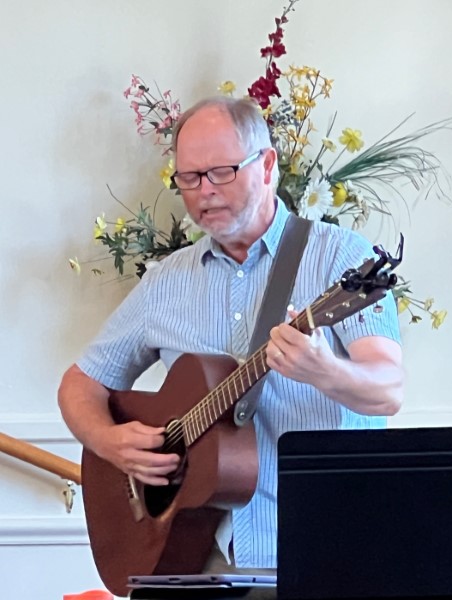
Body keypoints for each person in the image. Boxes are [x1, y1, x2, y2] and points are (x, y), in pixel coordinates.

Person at [58, 96, 404, 571]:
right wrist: (108, 441)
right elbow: (80, 384)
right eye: (189, 178)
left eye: (221, 172)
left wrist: (325, 370)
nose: (205, 192)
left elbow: (388, 389)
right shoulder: (166, 281)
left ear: (267, 166)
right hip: (207, 559)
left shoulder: (339, 256)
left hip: (330, 550)